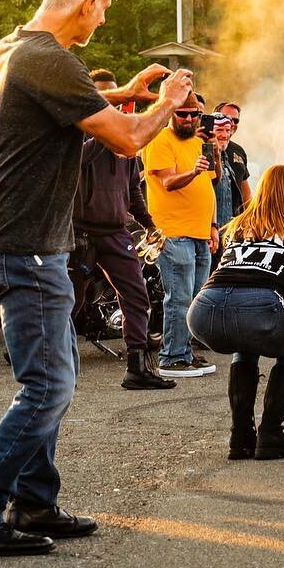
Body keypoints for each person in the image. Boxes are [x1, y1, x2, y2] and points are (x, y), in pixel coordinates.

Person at [0, 0, 193, 557]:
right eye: (104, 8)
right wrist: (169, 101)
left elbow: (85, 109)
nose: (103, 20)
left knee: (57, 375)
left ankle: (34, 501)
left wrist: (131, 91)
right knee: (48, 384)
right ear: (86, 1)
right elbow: (129, 139)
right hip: (24, 244)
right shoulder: (47, 60)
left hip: (19, 240)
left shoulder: (11, 49)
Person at [187, 165, 284, 460]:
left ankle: (240, 437)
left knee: (245, 346)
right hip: (258, 306)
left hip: (204, 309)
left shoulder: (237, 225)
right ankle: (271, 433)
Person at [71, 68, 173, 392]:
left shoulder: (124, 139)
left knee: (136, 294)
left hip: (115, 232)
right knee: (69, 301)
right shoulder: (76, 131)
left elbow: (133, 190)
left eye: (117, 96)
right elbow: (76, 162)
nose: (116, 105)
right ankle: (46, 362)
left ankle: (138, 366)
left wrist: (150, 224)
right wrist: (106, 132)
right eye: (107, 98)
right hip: (78, 232)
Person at [142, 92, 218, 377]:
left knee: (197, 297)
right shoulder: (161, 141)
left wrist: (212, 226)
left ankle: (184, 351)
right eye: (182, 113)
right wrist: (193, 171)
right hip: (172, 232)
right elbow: (169, 182)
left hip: (199, 232)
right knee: (179, 297)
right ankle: (171, 357)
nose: (188, 119)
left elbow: (209, 187)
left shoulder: (200, 143)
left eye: (194, 114)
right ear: (171, 113)